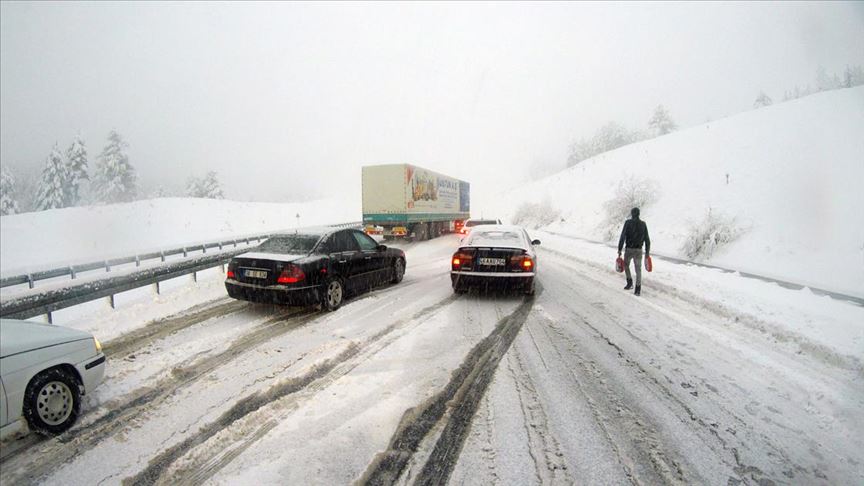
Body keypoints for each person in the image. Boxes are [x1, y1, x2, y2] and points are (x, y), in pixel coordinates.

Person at [617, 207, 650, 296]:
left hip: (629, 249)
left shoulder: (628, 223)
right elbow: (647, 239)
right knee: (638, 270)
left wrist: (619, 249)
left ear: (632, 214)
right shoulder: (643, 224)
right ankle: (638, 289)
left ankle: (629, 282)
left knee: (626, 265)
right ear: (639, 214)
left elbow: (623, 236)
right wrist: (647, 252)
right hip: (639, 250)